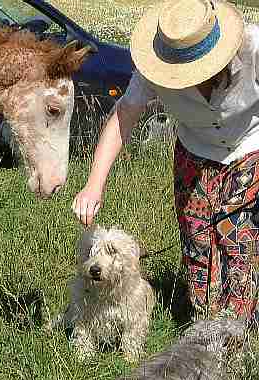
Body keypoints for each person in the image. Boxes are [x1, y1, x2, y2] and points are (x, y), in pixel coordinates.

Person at [72, 0, 259, 323]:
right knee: (197, 243)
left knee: (239, 244)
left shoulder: (254, 49)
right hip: (195, 153)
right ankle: (204, 323)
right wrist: (94, 184)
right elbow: (123, 118)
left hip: (249, 149)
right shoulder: (153, 67)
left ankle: (235, 335)